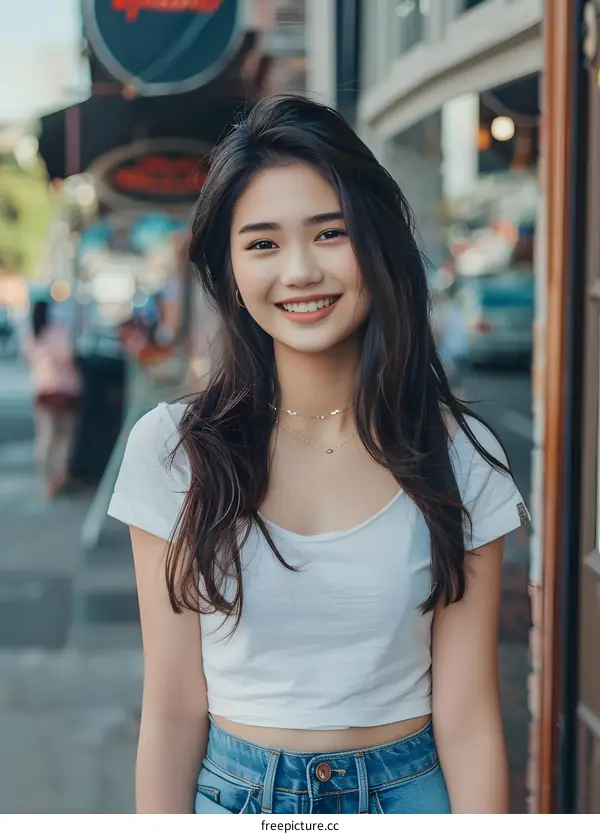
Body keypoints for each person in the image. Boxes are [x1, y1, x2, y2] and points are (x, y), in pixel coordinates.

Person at [108, 95, 530, 815]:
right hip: (239, 799)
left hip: (410, 795)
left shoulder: (460, 456)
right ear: (230, 270)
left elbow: (469, 724)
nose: (300, 271)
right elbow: (174, 712)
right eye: (264, 243)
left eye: (329, 233)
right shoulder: (173, 450)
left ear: (376, 244)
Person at [23, 300, 81, 499]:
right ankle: (59, 478)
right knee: (63, 438)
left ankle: (47, 482)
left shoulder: (30, 336)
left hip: (42, 391)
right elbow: (68, 358)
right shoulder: (57, 332)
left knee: (45, 438)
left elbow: (28, 359)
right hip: (64, 390)